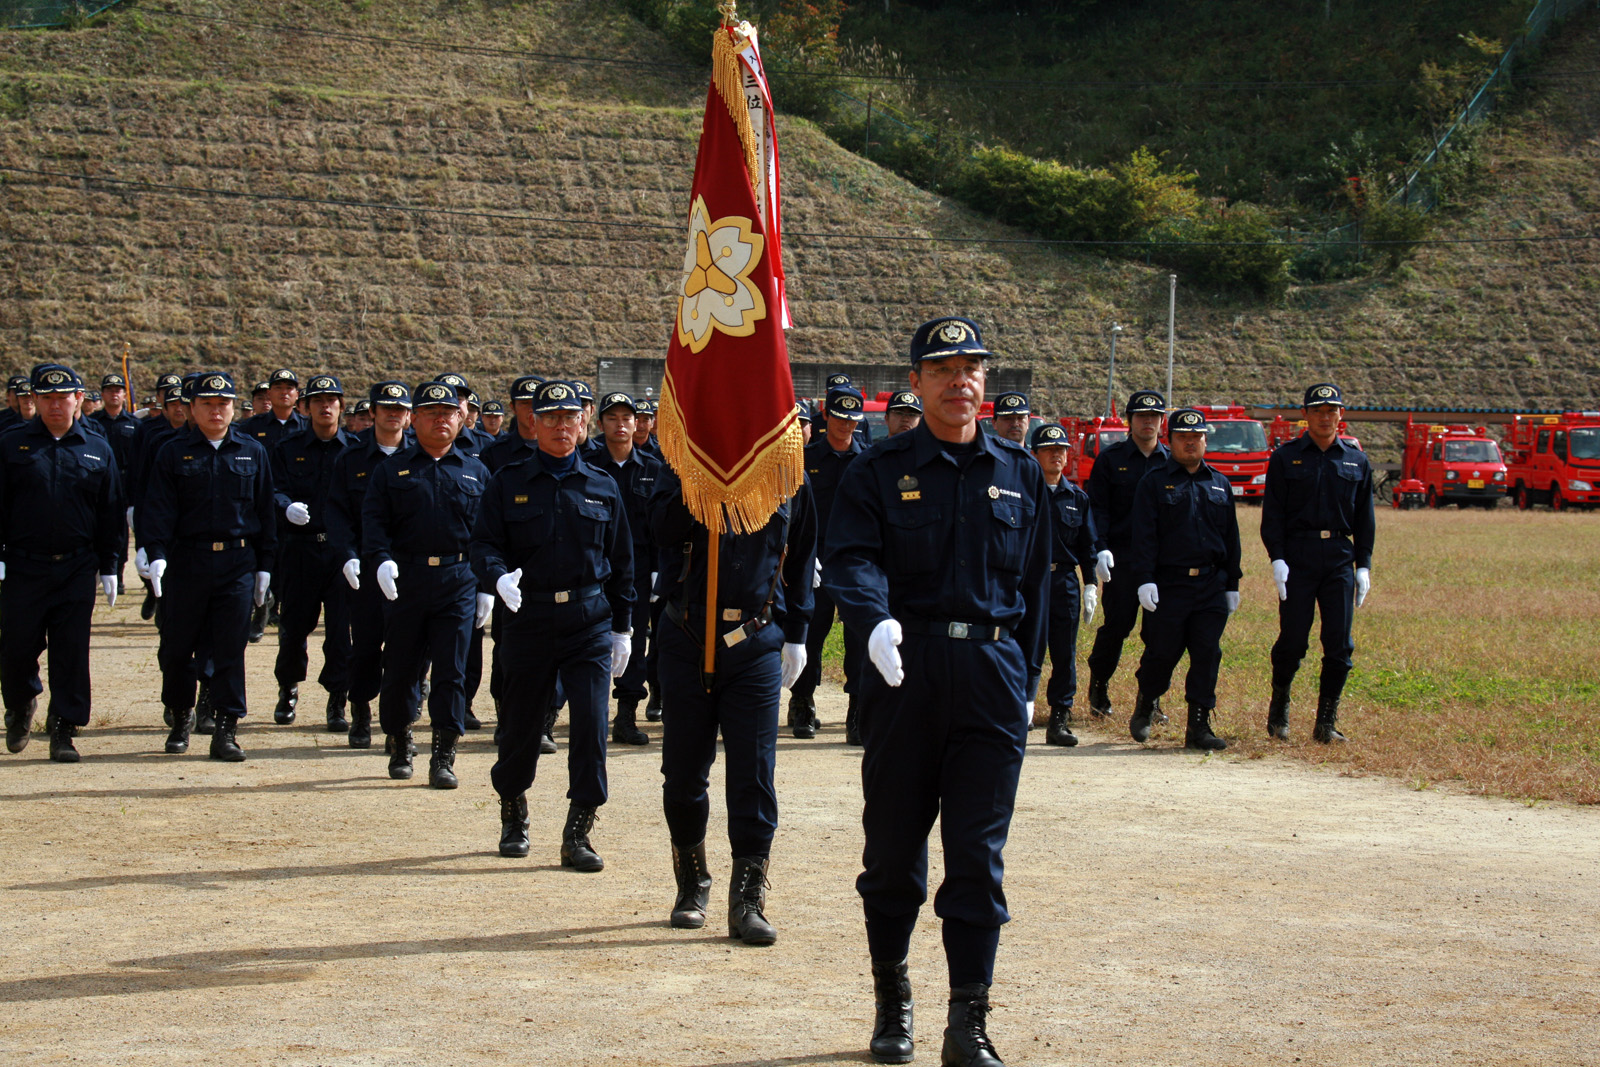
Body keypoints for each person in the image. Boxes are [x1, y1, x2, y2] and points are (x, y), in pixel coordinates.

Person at [823, 316, 1050, 1067]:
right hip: (904, 670)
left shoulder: (1018, 472)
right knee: (892, 853)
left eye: (973, 368)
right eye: (945, 368)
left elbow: (1040, 581)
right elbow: (850, 557)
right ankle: (893, 1005)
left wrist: (1028, 674)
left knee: (977, 858)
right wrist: (873, 621)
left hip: (991, 676)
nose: (961, 381)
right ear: (915, 382)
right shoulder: (878, 470)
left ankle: (968, 1021)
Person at [472, 380, 633, 870]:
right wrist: (497, 579)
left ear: (584, 423)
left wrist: (623, 629)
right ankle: (513, 807)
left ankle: (579, 828)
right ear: (534, 423)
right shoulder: (508, 481)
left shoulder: (603, 485)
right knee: (520, 726)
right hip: (527, 618)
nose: (562, 427)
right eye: (551, 418)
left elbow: (622, 563)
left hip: (587, 621)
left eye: (570, 418)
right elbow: (484, 546)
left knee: (590, 726)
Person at [650, 463, 815, 942]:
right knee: (682, 775)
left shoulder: (790, 476)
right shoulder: (678, 466)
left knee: (753, 773)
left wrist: (798, 633)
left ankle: (746, 897)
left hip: (755, 639)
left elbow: (802, 557)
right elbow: (661, 528)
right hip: (687, 635)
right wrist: (701, 479)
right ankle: (692, 879)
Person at [362, 381, 491, 787]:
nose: (441, 419)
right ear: (413, 419)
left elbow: (489, 533)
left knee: (452, 671)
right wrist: (380, 560)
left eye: (448, 412)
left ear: (461, 418)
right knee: (400, 667)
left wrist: (488, 582)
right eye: (431, 412)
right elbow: (374, 522)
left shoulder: (476, 470)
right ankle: (400, 740)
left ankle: (443, 754)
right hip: (407, 579)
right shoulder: (392, 470)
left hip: (459, 579)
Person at [143, 372, 277, 762]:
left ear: (234, 408)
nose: (216, 411)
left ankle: (226, 728)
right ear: (191, 409)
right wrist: (156, 553)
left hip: (237, 562)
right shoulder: (171, 451)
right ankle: (181, 716)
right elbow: (157, 510)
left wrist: (266, 566)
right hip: (186, 560)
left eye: (223, 404)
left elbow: (265, 512)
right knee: (177, 647)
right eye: (207, 404)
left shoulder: (252, 452)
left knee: (230, 649)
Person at [0, 364, 123, 762]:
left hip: (76, 565)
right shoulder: (12, 444)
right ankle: (20, 705)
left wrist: (111, 566)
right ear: (33, 400)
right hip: (23, 565)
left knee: (71, 651)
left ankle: (64, 728)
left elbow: (110, 512)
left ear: (78, 400)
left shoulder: (96, 447)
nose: (56, 405)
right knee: (17, 648)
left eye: (63, 397)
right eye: (47, 397)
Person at [1261, 383, 1375, 743]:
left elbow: (1365, 519)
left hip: (1339, 557)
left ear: (1341, 415)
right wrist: (1277, 558)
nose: (1326, 418)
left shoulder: (1356, 459)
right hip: (1298, 557)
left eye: (1332, 411)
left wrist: (1364, 565)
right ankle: (1279, 706)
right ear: (1305, 415)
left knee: (1339, 643)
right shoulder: (1286, 457)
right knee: (1293, 640)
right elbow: (1273, 515)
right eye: (1318, 411)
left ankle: (1326, 721)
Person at [1125, 408, 1241, 751]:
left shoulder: (1219, 483)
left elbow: (1231, 538)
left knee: (1207, 653)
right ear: (1170, 439)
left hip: (1210, 585)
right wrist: (1145, 579)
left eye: (1197, 437)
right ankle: (1147, 701)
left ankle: (1199, 726)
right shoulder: (1154, 482)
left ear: (1205, 440)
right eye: (1183, 438)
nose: (1190, 443)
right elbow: (1143, 536)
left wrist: (1232, 583)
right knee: (1162, 653)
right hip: (1169, 585)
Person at [326, 381, 413, 749]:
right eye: (385, 408)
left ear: (409, 416)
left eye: (400, 409)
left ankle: (398, 724)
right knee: (364, 647)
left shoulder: (421, 458)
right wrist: (347, 554)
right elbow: (337, 513)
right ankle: (360, 708)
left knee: (405, 652)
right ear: (372, 412)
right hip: (364, 570)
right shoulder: (350, 458)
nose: (393, 414)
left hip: (411, 571)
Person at [269, 374, 355, 731]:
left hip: (339, 554)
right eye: (317, 400)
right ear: (305, 407)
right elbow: (271, 489)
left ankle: (337, 700)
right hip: (299, 549)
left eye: (331, 400)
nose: (325, 406)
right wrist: (285, 506)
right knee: (294, 627)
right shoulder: (288, 449)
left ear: (340, 406)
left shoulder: (354, 451)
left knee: (340, 631)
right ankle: (287, 689)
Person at [789, 386, 867, 742]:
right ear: (826, 417)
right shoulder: (806, 458)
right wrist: (802, 556)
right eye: (839, 417)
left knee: (857, 640)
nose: (845, 426)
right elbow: (794, 513)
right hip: (813, 561)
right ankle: (802, 702)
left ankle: (856, 710)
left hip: (851, 562)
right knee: (810, 635)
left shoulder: (867, 463)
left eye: (852, 420)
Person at [1083, 389, 1166, 719]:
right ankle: (1099, 687)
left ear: (1162, 422)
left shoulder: (1170, 461)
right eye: (1141, 416)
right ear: (1130, 420)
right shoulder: (1111, 459)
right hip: (1122, 558)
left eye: (1154, 417)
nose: (1148, 422)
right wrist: (1100, 547)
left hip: (1161, 562)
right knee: (1117, 626)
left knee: (1160, 633)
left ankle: (1151, 698)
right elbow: (1098, 509)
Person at [586, 392, 661, 746]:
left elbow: (664, 524)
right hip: (591, 566)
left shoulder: (654, 469)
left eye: (626, 418)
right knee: (583, 637)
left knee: (633, 639)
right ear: (600, 424)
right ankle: (576, 713)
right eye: (612, 418)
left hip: (639, 571)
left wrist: (660, 568)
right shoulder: (584, 463)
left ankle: (626, 715)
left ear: (638, 423)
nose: (620, 424)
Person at [1028, 422, 1099, 747]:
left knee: (1064, 654)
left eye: (1061, 450)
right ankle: (1021, 712)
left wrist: (1090, 586)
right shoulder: (1025, 493)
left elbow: (1087, 546)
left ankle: (1059, 719)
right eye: (1049, 450)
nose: (1057, 456)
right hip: (1028, 582)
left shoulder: (1077, 498)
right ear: (1035, 454)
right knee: (1025, 650)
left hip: (1064, 582)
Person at [242, 369, 306, 639]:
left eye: (289, 387)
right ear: (269, 394)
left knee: (288, 565)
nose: (283, 392)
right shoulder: (251, 428)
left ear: (297, 395)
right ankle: (258, 610)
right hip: (258, 505)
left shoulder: (306, 428)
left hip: (293, 508)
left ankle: (279, 609)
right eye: (277, 387)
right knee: (257, 561)